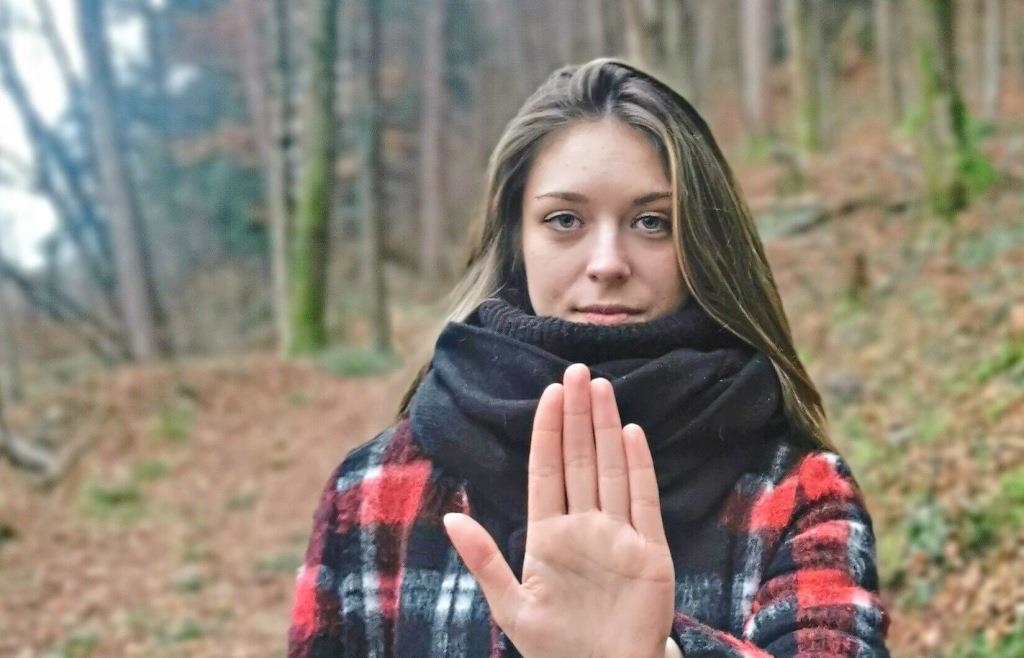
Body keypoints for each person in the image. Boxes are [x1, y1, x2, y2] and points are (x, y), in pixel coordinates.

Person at [286, 58, 891, 657]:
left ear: (704, 244)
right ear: (517, 239)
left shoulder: (795, 495)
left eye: (652, 222)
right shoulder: (372, 493)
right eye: (565, 219)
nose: (607, 262)